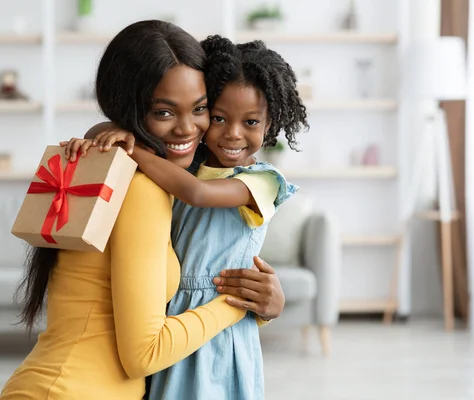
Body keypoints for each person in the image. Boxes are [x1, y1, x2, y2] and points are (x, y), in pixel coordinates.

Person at [0, 21, 285, 400]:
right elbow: (145, 352)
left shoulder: (127, 172)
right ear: (130, 109)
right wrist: (238, 307)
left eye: (200, 109)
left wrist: (262, 305)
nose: (188, 129)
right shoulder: (141, 189)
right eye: (164, 112)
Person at [73, 35, 308, 399]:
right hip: (166, 322)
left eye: (250, 122)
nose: (233, 133)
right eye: (218, 117)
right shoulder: (184, 163)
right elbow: (101, 134)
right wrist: (108, 133)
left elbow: (197, 195)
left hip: (218, 328)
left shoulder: (260, 181)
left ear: (270, 121)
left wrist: (133, 152)